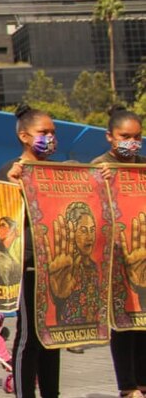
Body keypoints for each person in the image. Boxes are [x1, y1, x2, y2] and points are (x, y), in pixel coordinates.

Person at [0, 104, 60, 398]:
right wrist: (11, 182)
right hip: (28, 266)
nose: (49, 138)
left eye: (53, 132)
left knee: (53, 336)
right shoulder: (10, 171)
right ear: (25, 136)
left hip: (57, 265)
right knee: (28, 337)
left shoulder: (58, 172)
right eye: (43, 132)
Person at [93, 107, 146, 398]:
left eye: (137, 137)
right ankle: (127, 387)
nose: (132, 142)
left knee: (144, 324)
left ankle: (143, 382)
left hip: (142, 258)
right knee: (123, 326)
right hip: (114, 260)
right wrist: (97, 181)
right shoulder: (99, 167)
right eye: (125, 136)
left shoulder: (143, 166)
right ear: (110, 137)